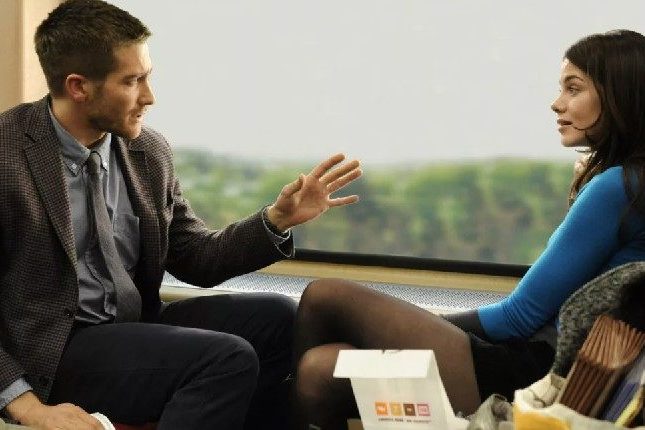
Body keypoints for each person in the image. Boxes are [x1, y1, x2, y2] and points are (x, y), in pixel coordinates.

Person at [0, 0, 362, 429]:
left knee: (281, 318)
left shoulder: (148, 152)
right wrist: (28, 407)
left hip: (134, 327)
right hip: (53, 350)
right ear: (79, 87)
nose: (149, 97)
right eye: (132, 81)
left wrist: (276, 220)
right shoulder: (8, 156)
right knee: (225, 358)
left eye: (147, 76)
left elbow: (197, 259)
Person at [291, 29, 645, 429]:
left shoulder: (616, 187)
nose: (556, 102)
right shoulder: (632, 182)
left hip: (535, 372)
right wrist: (413, 326)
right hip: (553, 364)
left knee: (325, 296)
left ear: (619, 95)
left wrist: (414, 326)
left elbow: (519, 317)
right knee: (320, 368)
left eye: (573, 88)